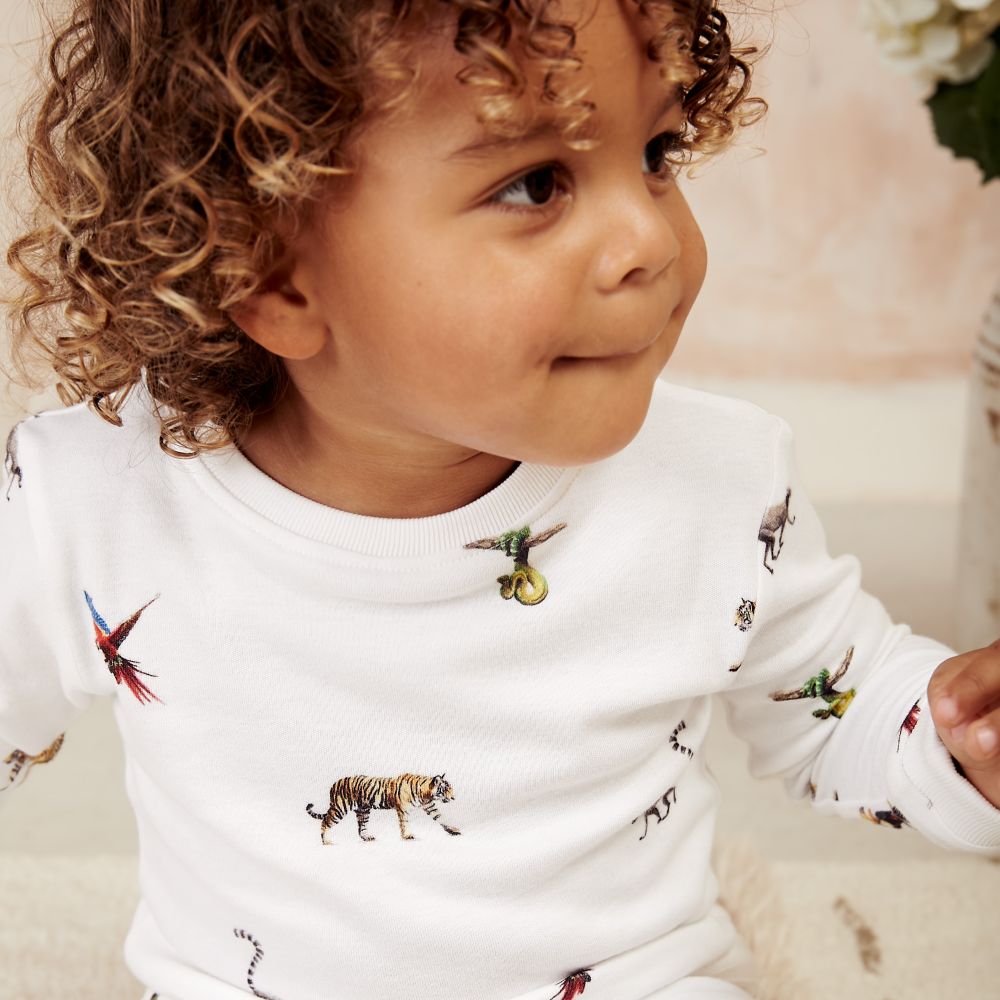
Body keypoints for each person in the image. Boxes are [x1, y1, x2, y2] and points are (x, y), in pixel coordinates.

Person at [2, 1, 999, 998]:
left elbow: (842, 705)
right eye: (535, 184)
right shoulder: (98, 500)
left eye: (657, 151)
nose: (648, 237)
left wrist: (958, 739)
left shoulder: (713, 483)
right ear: (267, 271)